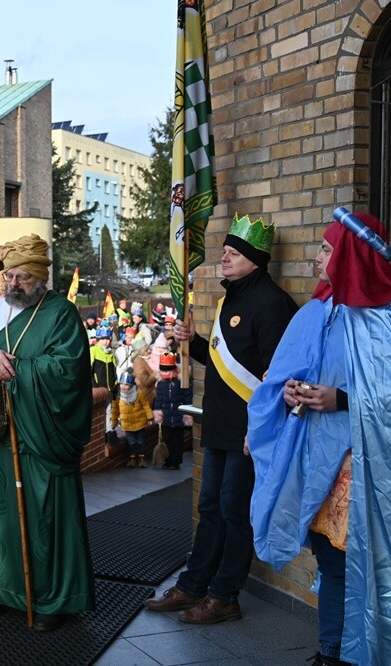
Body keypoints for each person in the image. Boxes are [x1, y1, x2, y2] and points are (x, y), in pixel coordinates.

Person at [247, 211, 391, 666]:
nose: (317, 257)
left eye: (327, 249)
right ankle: (331, 653)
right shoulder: (315, 312)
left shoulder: (385, 320)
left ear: (353, 254)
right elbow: (281, 382)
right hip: (320, 467)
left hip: (367, 468)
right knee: (332, 565)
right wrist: (289, 393)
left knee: (368, 567)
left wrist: (343, 399)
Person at [145, 213, 297, 624]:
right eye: (225, 251)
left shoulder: (273, 303)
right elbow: (223, 364)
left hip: (249, 431)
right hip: (219, 424)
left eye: (233, 253)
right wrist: (192, 342)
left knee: (234, 510)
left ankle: (224, 595)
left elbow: (275, 377)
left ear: (254, 258)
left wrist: (261, 430)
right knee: (210, 506)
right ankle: (194, 586)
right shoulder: (231, 297)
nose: (224, 258)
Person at [0, 234, 94, 631]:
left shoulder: (61, 314)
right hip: (0, 430)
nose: (12, 284)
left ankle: (52, 599)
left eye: (22, 277)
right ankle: (0, 590)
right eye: (8, 275)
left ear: (40, 278)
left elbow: (68, 373)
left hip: (41, 434)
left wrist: (19, 371)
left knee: (43, 515)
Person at [153, 353, 193, 470]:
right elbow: (159, 399)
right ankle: (168, 461)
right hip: (166, 416)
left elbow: (187, 397)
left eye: (167, 371)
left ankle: (175, 462)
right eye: (163, 371)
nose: (165, 373)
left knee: (177, 441)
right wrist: (158, 412)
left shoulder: (181, 382)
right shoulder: (160, 384)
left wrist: (187, 414)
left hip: (178, 416)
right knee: (167, 440)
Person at [114, 372, 153, 468]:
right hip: (127, 424)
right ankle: (132, 459)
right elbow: (115, 410)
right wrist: (114, 422)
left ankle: (142, 459)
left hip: (140, 422)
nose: (123, 386)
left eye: (126, 385)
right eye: (122, 384)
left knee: (140, 442)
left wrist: (150, 417)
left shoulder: (139, 393)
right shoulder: (118, 396)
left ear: (131, 386)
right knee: (131, 443)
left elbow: (146, 405)